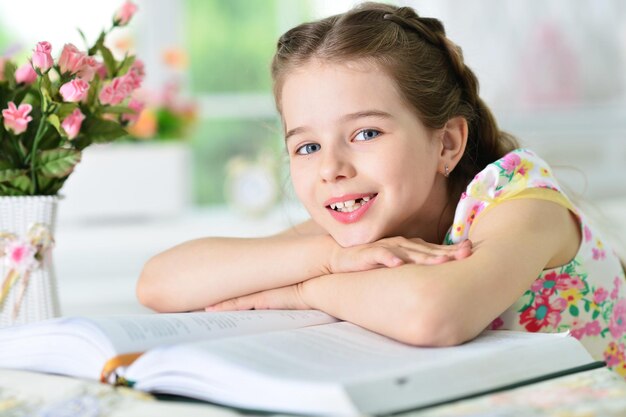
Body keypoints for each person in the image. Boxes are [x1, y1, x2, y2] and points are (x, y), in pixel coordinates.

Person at [137, 2, 626, 375]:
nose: (331, 168)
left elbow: (433, 314)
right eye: (306, 147)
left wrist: (306, 290)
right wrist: (326, 259)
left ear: (447, 143)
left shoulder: (520, 202)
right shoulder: (361, 227)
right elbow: (159, 283)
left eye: (366, 133)